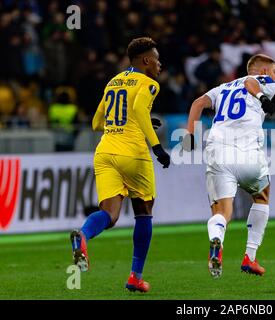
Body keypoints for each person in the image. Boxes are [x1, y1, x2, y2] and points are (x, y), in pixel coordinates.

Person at [69, 37, 171, 293]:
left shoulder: (113, 81)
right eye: (157, 59)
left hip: (104, 151)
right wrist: (157, 146)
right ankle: (135, 276)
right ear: (146, 60)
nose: (159, 64)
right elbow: (137, 109)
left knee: (111, 215)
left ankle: (82, 236)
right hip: (133, 153)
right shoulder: (149, 83)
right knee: (144, 211)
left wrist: (130, 123)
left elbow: (96, 123)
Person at [184, 54, 275, 278]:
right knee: (262, 195)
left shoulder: (222, 88)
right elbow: (249, 82)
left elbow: (198, 103)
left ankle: (217, 239)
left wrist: (190, 135)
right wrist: (261, 97)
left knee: (221, 212)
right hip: (248, 154)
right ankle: (250, 257)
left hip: (217, 152)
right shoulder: (264, 83)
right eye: (274, 72)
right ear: (264, 71)